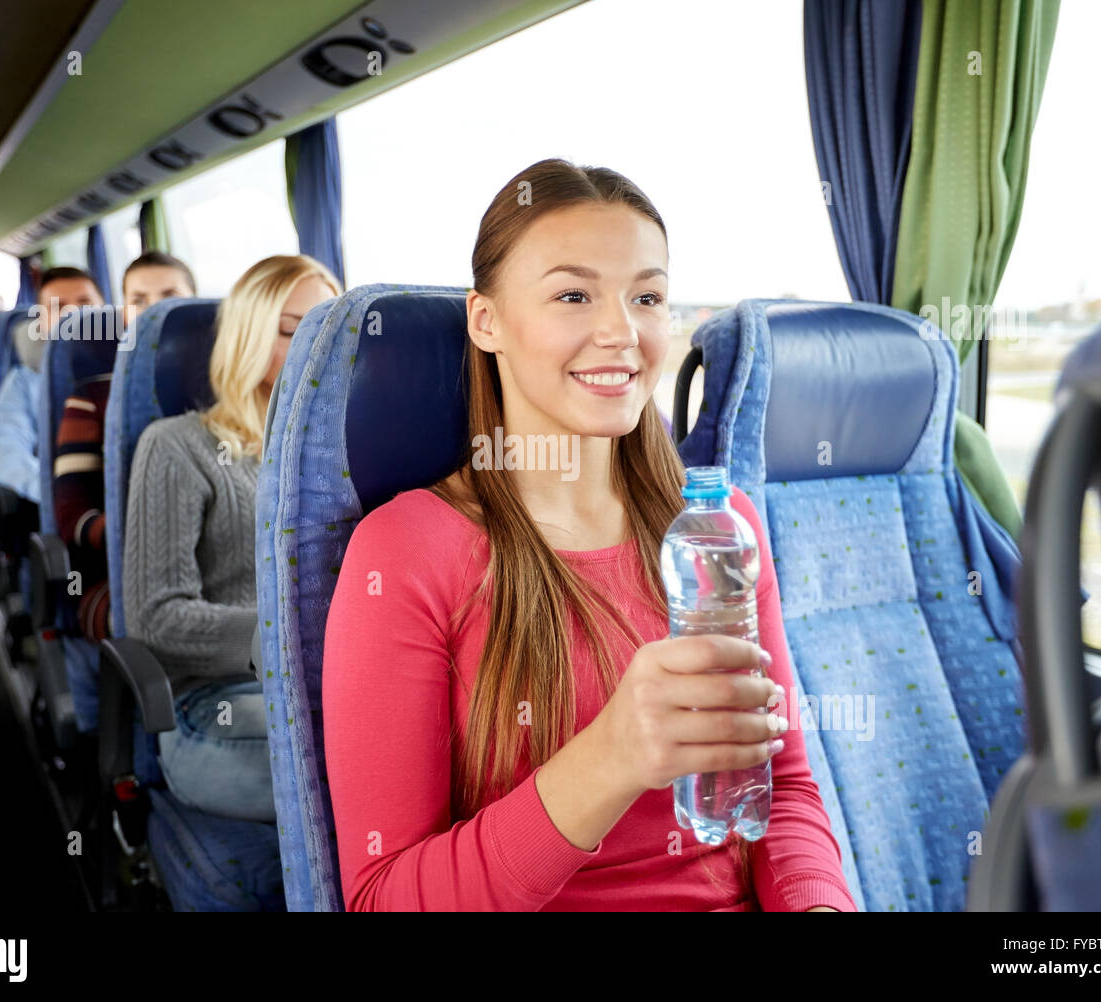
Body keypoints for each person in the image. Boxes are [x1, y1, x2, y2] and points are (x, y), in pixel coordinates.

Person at [322, 159, 856, 911]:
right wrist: (609, 760)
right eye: (574, 295)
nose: (621, 331)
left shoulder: (718, 527)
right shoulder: (406, 553)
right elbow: (381, 897)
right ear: (487, 321)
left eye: (647, 297)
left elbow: (786, 791)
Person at [123, 254, 340, 821]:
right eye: (295, 331)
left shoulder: (351, 452)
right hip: (219, 700)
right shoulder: (177, 447)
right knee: (359, 776)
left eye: (330, 330)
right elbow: (157, 617)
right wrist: (292, 638)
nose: (320, 350)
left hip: (340, 688)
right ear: (248, 337)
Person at [53, 251, 197, 643]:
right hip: (116, 577)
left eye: (169, 295)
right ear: (123, 315)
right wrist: (152, 542)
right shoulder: (92, 397)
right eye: (139, 300)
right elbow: (71, 514)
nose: (155, 310)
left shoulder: (230, 391)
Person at [0, 266, 103, 505]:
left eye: (85, 303)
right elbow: (5, 453)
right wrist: (63, 494)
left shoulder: (130, 371)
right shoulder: (23, 381)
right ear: (42, 320)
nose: (74, 314)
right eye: (58, 307)